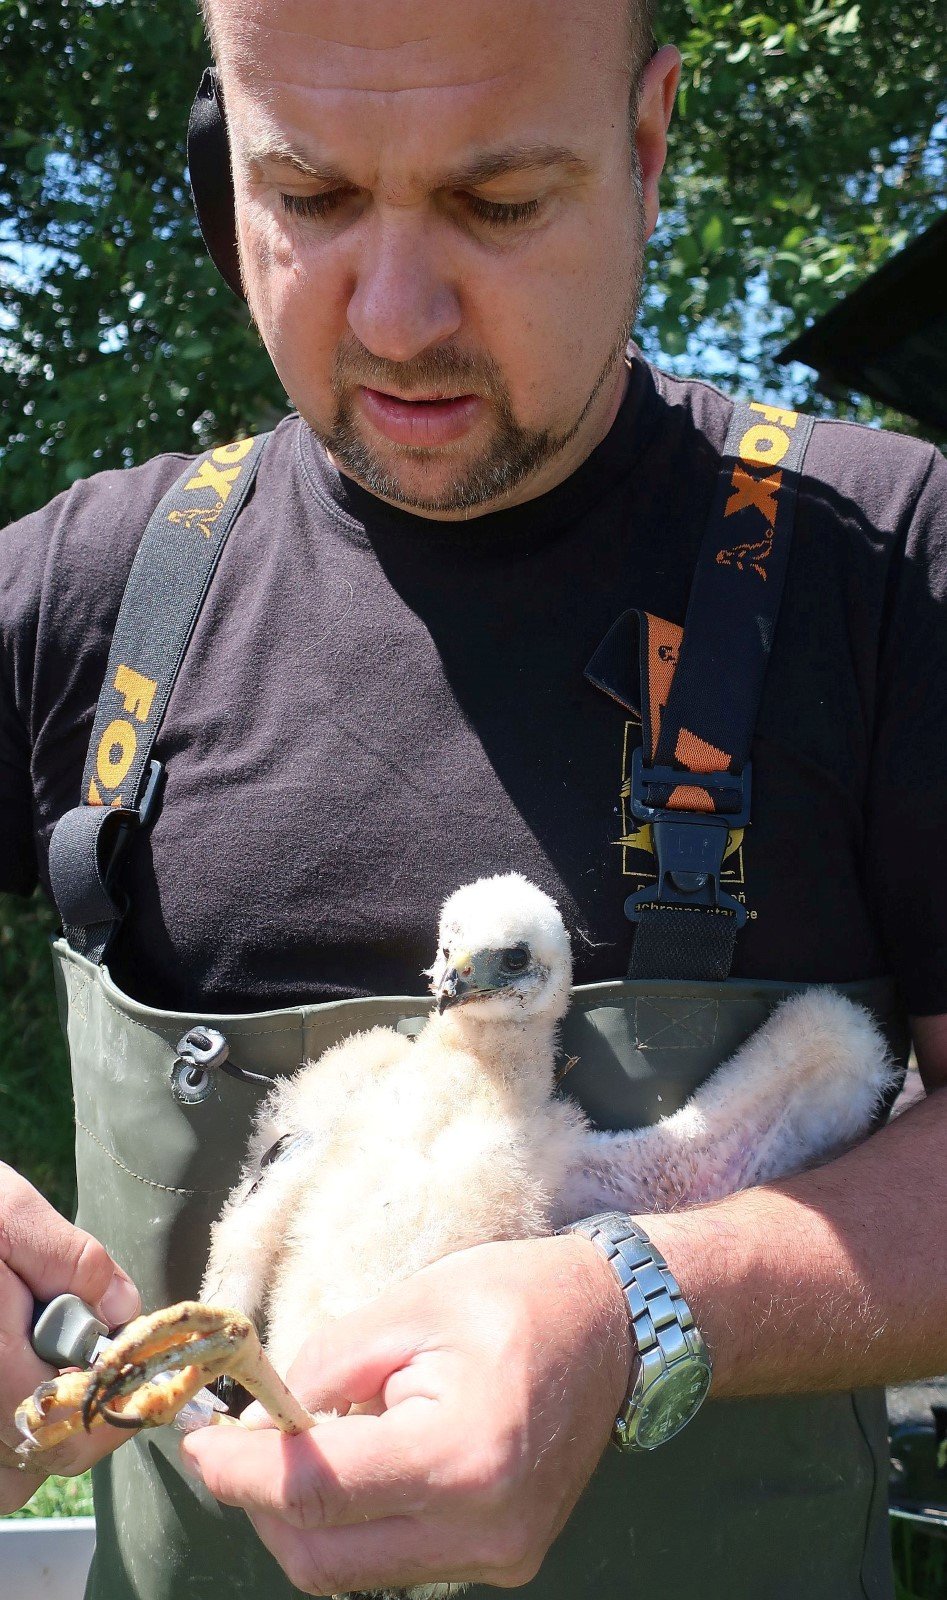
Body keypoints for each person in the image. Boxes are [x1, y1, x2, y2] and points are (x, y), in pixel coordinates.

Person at [1, 1, 945, 1597]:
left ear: (647, 146)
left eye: (498, 204)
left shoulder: (892, 568)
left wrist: (643, 1306)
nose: (396, 312)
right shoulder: (90, 591)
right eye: (306, 199)